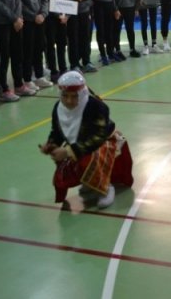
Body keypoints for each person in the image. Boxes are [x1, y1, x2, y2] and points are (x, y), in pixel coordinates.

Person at [39, 71, 133, 209]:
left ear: (82, 94)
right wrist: (51, 144)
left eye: (74, 97)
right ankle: (90, 183)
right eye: (65, 96)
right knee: (64, 168)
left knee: (88, 159)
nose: (69, 101)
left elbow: (98, 137)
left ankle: (105, 187)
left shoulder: (96, 107)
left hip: (105, 142)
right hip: (78, 144)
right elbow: (57, 132)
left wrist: (68, 151)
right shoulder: (58, 109)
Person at [15, 0, 51, 91]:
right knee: (28, 50)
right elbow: (20, 4)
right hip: (28, 22)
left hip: (40, 20)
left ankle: (39, 76)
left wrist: (42, 14)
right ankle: (28, 79)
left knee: (39, 47)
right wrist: (33, 16)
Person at [39, 0, 69, 82]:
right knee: (50, 45)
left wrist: (66, 14)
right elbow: (45, 1)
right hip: (50, 19)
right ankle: (53, 71)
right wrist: (57, 15)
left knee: (62, 44)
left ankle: (63, 68)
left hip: (62, 18)